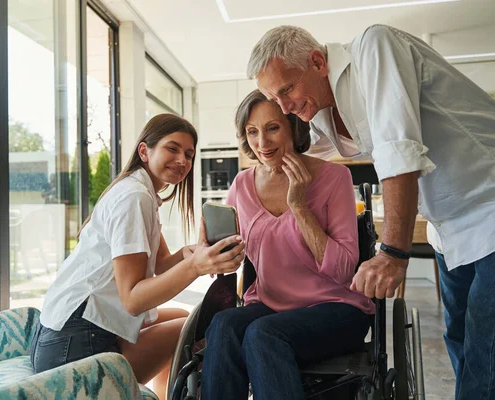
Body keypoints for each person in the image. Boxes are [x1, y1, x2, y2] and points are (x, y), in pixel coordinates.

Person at [247, 24, 495, 400]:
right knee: (460, 341)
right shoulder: (322, 114)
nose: (285, 106)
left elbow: (398, 150)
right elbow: (287, 152)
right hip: (449, 230)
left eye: (287, 90)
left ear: (317, 61)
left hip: (489, 205)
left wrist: (392, 252)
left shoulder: (374, 49)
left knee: (485, 354)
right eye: (273, 98)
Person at [31, 114, 245, 399]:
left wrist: (192, 253)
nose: (182, 160)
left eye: (189, 154)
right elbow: (133, 299)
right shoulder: (134, 197)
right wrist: (196, 266)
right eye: (172, 148)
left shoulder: (140, 192)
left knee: (184, 316)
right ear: (144, 151)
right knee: (193, 331)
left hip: (58, 337)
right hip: (71, 349)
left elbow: (162, 265)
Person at [201, 90, 375, 400]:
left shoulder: (334, 178)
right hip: (270, 305)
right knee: (224, 324)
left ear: (293, 127)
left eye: (272, 128)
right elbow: (231, 251)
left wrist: (299, 205)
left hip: (336, 308)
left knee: (263, 334)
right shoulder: (242, 184)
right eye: (252, 132)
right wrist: (213, 249)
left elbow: (343, 269)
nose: (262, 143)